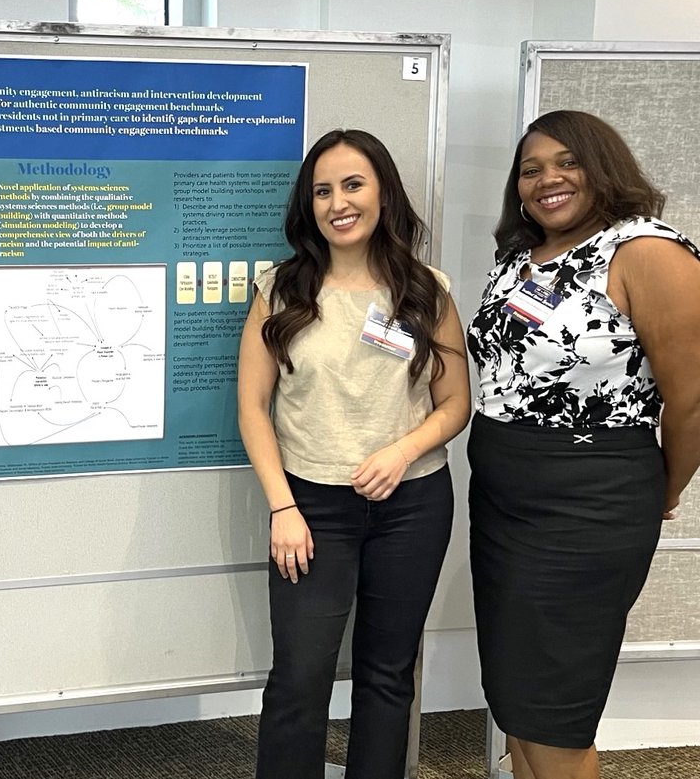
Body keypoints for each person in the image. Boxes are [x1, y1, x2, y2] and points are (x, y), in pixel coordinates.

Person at [467, 109, 700, 779]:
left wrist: (667, 484)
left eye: (567, 162)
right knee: (516, 694)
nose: (548, 180)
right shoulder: (520, 256)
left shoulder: (647, 251)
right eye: (531, 169)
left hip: (589, 505)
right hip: (505, 503)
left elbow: (690, 397)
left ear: (603, 167)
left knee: (556, 706)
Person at [238, 129, 470, 779]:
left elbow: (456, 403)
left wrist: (403, 450)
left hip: (413, 504)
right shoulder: (280, 289)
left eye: (352, 184)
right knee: (299, 677)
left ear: (382, 193)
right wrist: (282, 506)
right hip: (310, 507)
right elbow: (253, 408)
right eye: (322, 190)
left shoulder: (427, 290)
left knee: (388, 674)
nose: (337, 201)